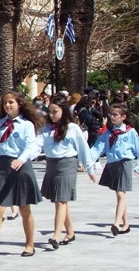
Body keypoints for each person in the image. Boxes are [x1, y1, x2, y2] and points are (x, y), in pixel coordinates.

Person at [0, 92, 43, 258]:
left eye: (11, 102)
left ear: (19, 104)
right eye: (5, 102)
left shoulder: (26, 125)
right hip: (3, 166)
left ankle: (30, 245)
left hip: (20, 166)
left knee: (24, 208)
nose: (7, 105)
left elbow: (30, 145)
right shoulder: (0, 123)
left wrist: (21, 159)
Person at [39, 96, 96, 248]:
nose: (51, 115)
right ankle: (70, 232)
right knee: (61, 201)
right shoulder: (46, 128)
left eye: (55, 111)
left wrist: (89, 168)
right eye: (50, 111)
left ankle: (56, 236)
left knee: (60, 201)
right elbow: (37, 144)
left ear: (63, 111)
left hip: (67, 165)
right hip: (51, 166)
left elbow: (83, 148)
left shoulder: (73, 128)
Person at [90, 103, 139, 236]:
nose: (112, 117)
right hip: (112, 165)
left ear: (123, 117)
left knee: (121, 194)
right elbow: (98, 148)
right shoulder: (108, 133)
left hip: (124, 164)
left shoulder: (130, 132)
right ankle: (126, 224)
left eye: (115, 114)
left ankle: (116, 224)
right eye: (111, 114)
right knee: (119, 195)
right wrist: (88, 162)